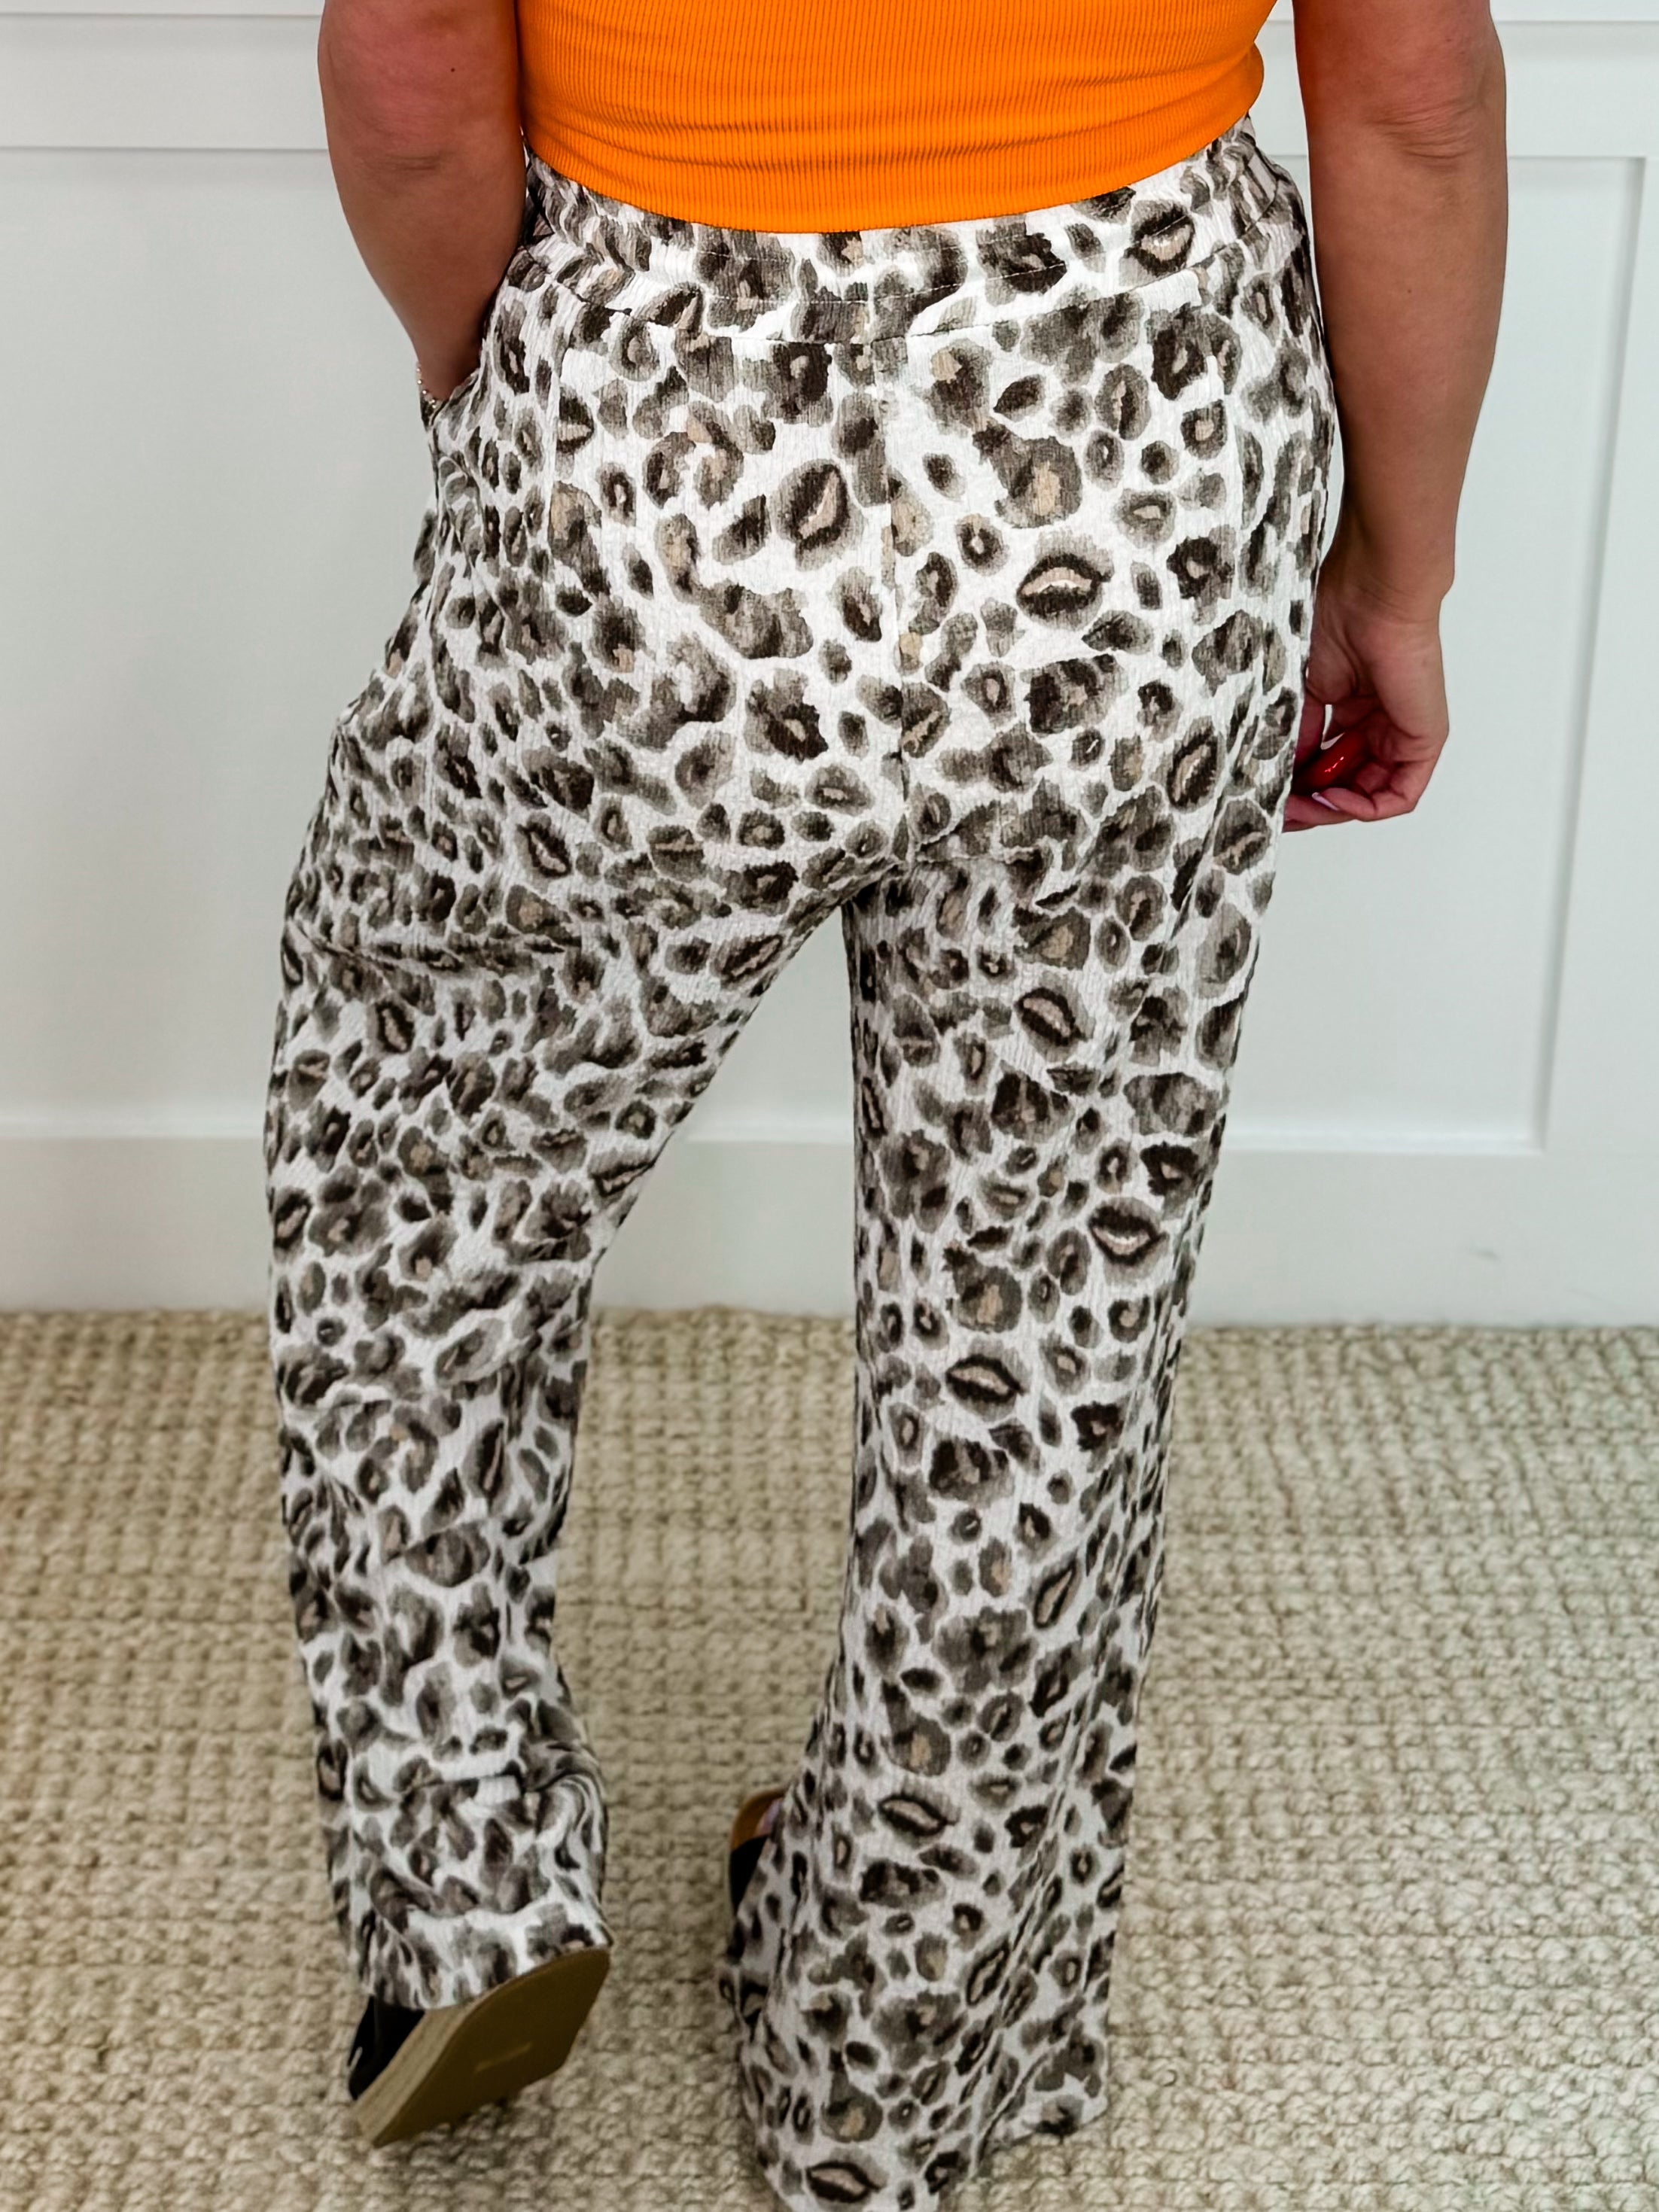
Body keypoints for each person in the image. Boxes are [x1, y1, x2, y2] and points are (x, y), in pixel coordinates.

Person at [262, 0, 1506, 2199]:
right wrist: (1396, 570)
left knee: (422, 1162)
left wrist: (508, 390)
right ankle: (896, 2045)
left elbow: (412, 64)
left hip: (660, 412)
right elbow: (1412, 96)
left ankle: (467, 1889)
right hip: (1139, 437)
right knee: (1045, 1296)